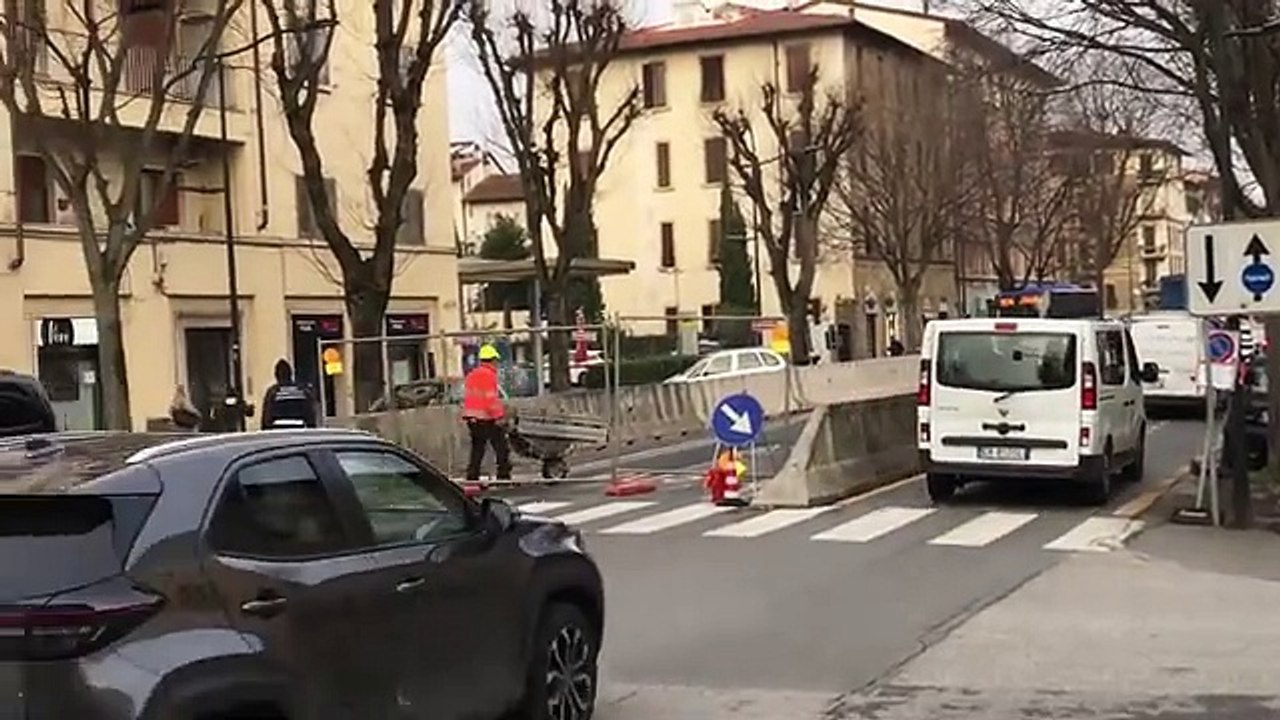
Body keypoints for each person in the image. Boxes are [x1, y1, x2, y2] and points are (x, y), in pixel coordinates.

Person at [462, 344, 511, 482]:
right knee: (501, 447)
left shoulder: (472, 375)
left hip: (472, 418)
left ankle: (472, 478)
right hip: (486, 418)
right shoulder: (489, 375)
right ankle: (504, 476)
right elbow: (490, 400)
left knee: (477, 450)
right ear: (493, 360)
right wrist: (499, 416)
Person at [260, 359, 318, 430]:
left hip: (278, 434)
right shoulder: (302, 391)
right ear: (290, 374)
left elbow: (267, 418)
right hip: (299, 432)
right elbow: (310, 415)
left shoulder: (273, 392)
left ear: (276, 375)